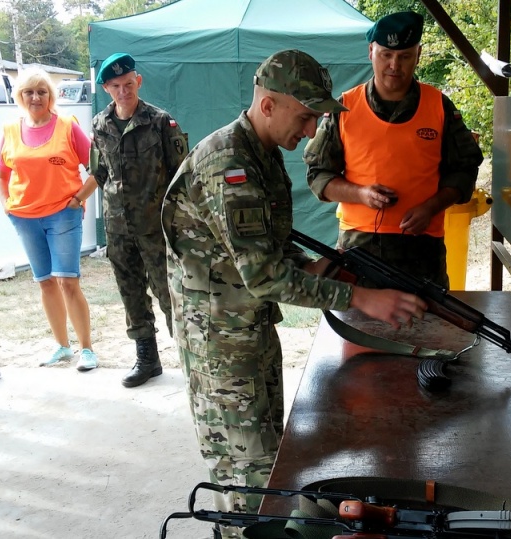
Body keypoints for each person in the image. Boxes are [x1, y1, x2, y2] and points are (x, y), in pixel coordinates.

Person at [162, 49, 427, 526]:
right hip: (221, 343)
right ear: (268, 105)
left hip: (247, 328)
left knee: (267, 467)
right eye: (305, 117)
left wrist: (326, 266)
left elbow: (270, 253)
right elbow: (265, 277)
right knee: (248, 484)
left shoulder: (260, 154)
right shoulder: (231, 165)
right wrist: (361, 297)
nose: (309, 132)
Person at [304, 11, 484, 288]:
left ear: (418, 55)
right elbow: (318, 175)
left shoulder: (439, 107)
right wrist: (360, 194)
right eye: (386, 54)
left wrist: (431, 206)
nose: (394, 65)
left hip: (423, 249)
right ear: (370, 51)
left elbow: (464, 169)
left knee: (428, 326)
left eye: (405, 56)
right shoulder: (344, 109)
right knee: (357, 326)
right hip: (359, 247)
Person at [90, 53, 188, 388]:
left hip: (157, 225)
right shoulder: (100, 125)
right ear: (106, 88)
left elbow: (182, 175)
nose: (123, 91)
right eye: (116, 86)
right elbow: (100, 172)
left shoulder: (161, 122)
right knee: (130, 291)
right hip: (118, 228)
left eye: (128, 83)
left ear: (138, 81)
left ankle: (192, 359)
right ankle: (147, 359)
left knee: (170, 292)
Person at [0, 68, 100, 371]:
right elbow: (1, 175)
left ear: (51, 96)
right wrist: (6, 206)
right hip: (25, 218)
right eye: (29, 92)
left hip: (62, 214)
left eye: (42, 91)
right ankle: (62, 347)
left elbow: (98, 168)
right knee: (45, 283)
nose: (35, 97)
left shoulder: (68, 126)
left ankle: (87, 349)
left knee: (68, 281)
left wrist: (79, 199)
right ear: (20, 96)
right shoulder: (10, 130)